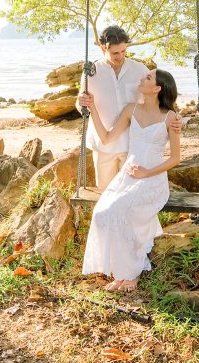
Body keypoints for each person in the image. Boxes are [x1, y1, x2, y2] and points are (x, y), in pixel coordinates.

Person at [82, 69, 183, 292]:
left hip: (152, 179)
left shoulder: (171, 118)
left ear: (157, 89)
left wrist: (147, 173)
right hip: (127, 176)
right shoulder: (131, 109)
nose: (142, 78)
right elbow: (107, 138)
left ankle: (131, 275)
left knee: (119, 210)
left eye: (148, 78)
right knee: (101, 214)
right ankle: (120, 273)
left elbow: (175, 158)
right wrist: (92, 110)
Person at [77, 26, 180, 190]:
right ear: (103, 48)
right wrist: (81, 101)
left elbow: (160, 95)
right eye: (115, 53)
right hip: (103, 144)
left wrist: (176, 117)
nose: (120, 56)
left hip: (132, 145)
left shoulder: (140, 70)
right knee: (104, 192)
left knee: (128, 192)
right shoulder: (91, 72)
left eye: (123, 51)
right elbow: (81, 104)